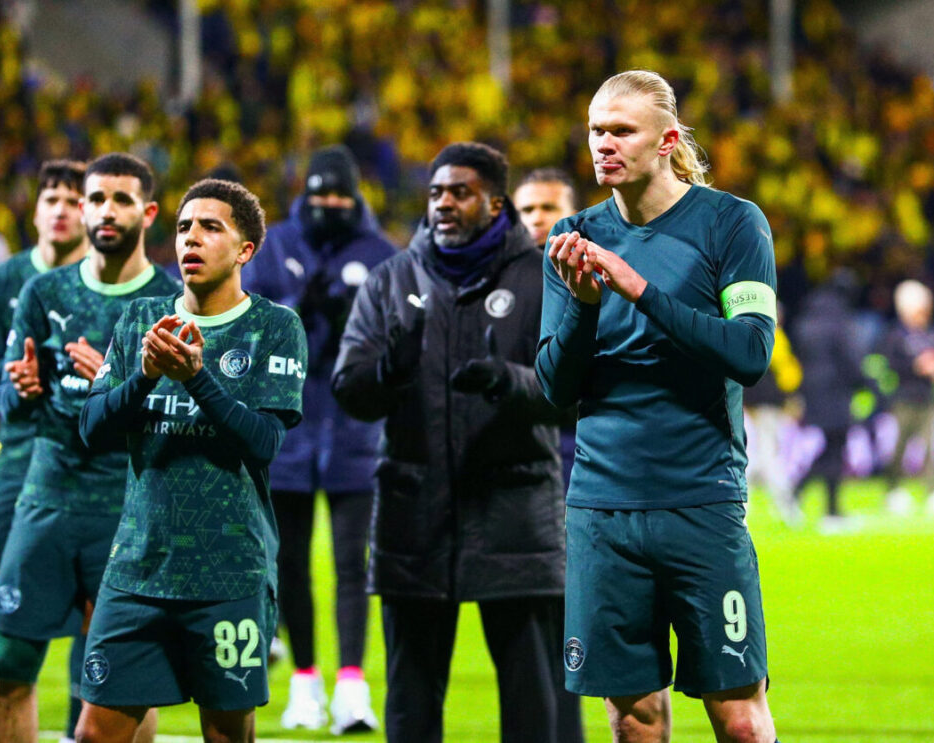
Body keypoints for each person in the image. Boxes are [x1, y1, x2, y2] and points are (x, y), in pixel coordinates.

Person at [536, 70, 781, 742]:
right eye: (596, 130)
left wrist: (639, 289)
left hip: (701, 502)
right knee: (635, 720)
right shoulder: (573, 236)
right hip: (602, 509)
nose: (603, 144)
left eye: (621, 130)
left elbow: (750, 352)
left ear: (668, 140)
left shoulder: (732, 223)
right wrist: (586, 308)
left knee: (740, 719)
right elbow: (555, 387)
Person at [332, 142, 573, 743]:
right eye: (436, 192)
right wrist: (388, 370)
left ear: (494, 204)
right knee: (410, 706)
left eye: (460, 192)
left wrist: (510, 381)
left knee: (532, 704)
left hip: (515, 518)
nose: (443, 203)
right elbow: (349, 390)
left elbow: (574, 395)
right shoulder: (391, 281)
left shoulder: (542, 280)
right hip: (415, 520)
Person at [75, 178, 307, 743]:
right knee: (94, 734)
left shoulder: (275, 328)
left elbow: (264, 443)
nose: (191, 239)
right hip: (138, 569)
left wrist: (197, 379)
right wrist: (144, 376)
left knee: (226, 734)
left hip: (229, 572)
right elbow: (92, 428)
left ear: (245, 249)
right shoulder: (140, 319)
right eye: (183, 228)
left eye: (210, 227)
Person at [0, 153, 179, 743]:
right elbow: (8, 401)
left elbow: (181, 416)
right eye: (95, 198)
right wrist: (20, 390)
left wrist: (116, 387)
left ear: (148, 212)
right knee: (10, 667)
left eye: (122, 199)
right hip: (47, 500)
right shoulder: (44, 292)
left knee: (128, 684)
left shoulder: (170, 301)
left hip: (129, 512)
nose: (105, 211)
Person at [242, 145, 393, 733]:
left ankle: (352, 686)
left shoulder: (380, 254)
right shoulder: (273, 245)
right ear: (304, 193)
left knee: (354, 564)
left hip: (356, 430)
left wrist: (361, 324)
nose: (329, 203)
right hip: (288, 428)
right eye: (320, 193)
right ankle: (304, 683)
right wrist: (296, 310)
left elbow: (402, 340)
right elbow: (247, 324)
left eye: (339, 195)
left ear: (356, 197)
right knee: (290, 562)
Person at [0, 160, 89, 743]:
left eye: (74, 200)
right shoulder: (6, 279)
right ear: (34, 212)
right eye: (51, 199)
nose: (61, 210)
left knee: (94, 606)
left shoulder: (106, 281)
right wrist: (16, 373)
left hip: (86, 455)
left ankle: (79, 732)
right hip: (19, 450)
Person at [512, 167, 585, 743]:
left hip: (582, 462)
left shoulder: (593, 275)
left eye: (549, 208)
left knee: (574, 614)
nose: (537, 219)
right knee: (533, 616)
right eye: (527, 209)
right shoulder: (501, 283)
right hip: (523, 466)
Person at [792, 276, 865, 533]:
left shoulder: (807, 319)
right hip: (836, 391)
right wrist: (865, 383)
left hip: (812, 392)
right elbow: (849, 357)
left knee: (830, 447)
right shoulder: (839, 321)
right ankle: (830, 511)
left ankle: (800, 492)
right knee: (836, 448)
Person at [882, 279, 934, 516]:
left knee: (931, 446)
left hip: (929, 397)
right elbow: (890, 364)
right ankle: (893, 490)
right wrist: (915, 366)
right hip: (904, 398)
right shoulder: (896, 334)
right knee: (900, 447)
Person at [743, 304, 804, 526]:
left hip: (749, 404)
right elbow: (789, 376)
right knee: (769, 456)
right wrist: (792, 397)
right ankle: (786, 508)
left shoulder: (749, 335)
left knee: (752, 455)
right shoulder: (775, 336)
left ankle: (743, 507)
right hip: (768, 406)